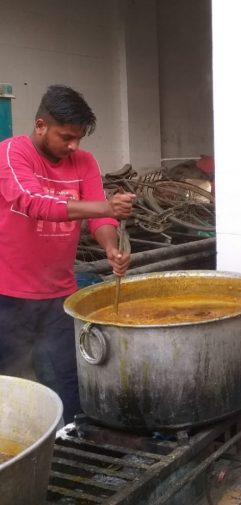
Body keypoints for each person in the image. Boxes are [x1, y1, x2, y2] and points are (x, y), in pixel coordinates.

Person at [0, 85, 136, 423]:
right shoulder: (12, 153)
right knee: (10, 382)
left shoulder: (84, 161)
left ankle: (71, 442)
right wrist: (106, 205)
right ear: (41, 125)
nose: (74, 146)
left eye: (79, 138)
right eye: (66, 137)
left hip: (59, 294)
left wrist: (110, 246)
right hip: (8, 295)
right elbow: (31, 202)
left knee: (68, 379)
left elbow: (100, 219)